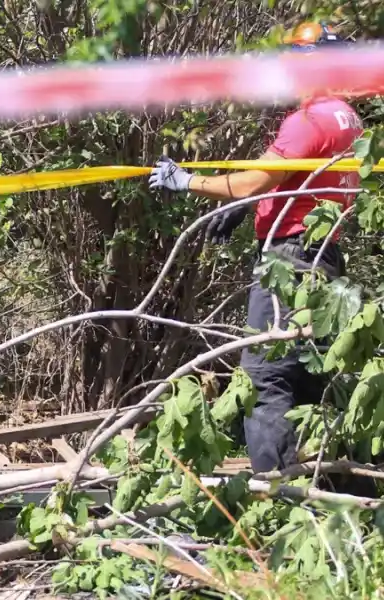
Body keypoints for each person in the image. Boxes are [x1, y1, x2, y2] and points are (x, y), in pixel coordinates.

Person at [149, 21, 362, 475]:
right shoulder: (344, 115)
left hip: (289, 258)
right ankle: (319, 484)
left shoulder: (307, 120)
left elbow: (253, 179)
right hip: (323, 257)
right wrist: (251, 204)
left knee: (266, 375)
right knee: (309, 371)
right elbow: (297, 181)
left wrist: (188, 182)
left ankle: (274, 493)